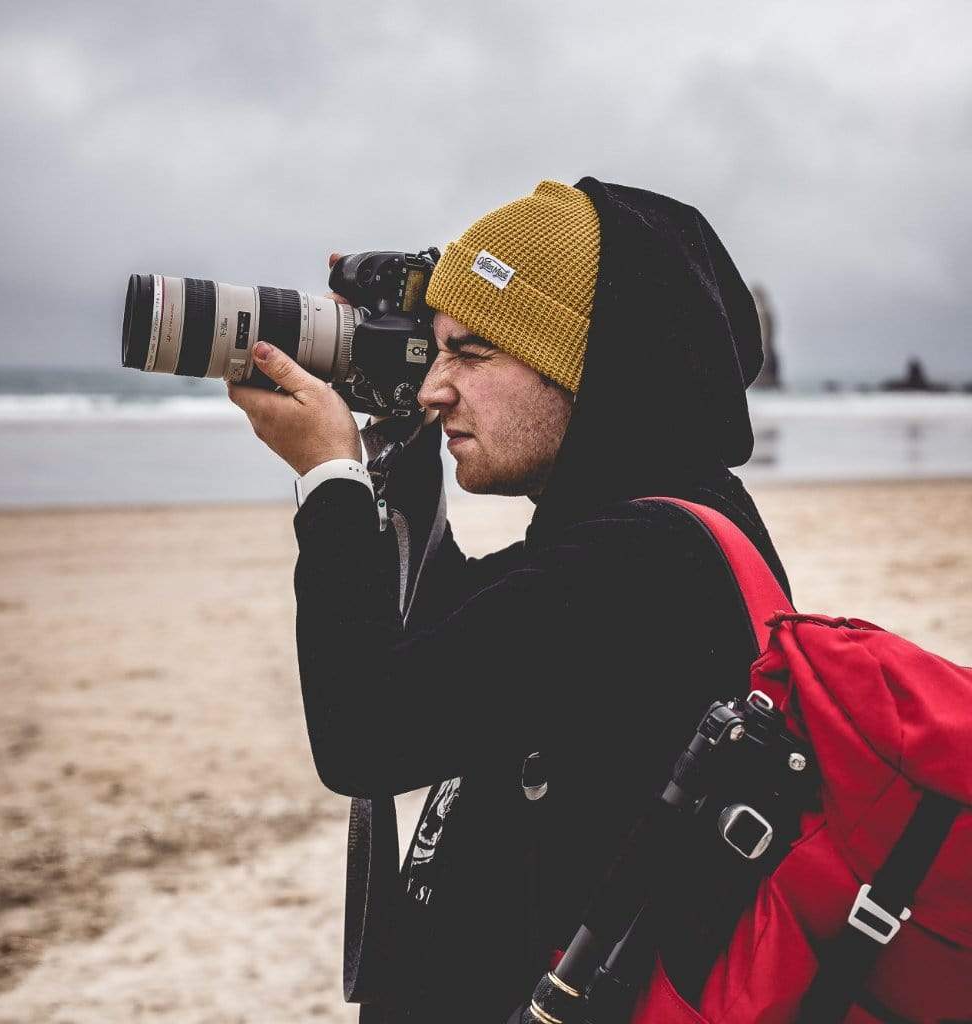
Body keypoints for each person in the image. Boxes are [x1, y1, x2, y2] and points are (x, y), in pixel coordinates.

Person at [228, 178, 792, 1023]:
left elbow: (365, 734)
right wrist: (395, 452)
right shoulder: (653, 528)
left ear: (593, 364)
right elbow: (448, 631)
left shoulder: (643, 562)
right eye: (436, 350)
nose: (435, 387)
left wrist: (330, 481)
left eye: (475, 353)